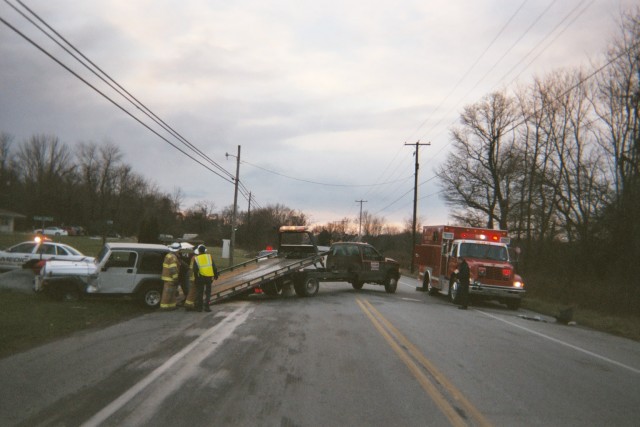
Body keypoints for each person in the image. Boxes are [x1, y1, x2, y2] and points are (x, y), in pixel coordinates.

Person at [184, 244, 219, 312]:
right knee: (208, 293)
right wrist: (215, 275)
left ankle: (199, 308)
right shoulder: (209, 256)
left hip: (200, 278)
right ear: (205, 251)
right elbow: (214, 267)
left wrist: (196, 278)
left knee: (200, 292)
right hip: (209, 278)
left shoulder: (197, 258)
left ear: (199, 251)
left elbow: (195, 270)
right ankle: (207, 307)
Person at [160, 242, 181, 310]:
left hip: (168, 278)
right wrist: (175, 278)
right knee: (168, 293)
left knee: (172, 293)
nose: (179, 251)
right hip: (170, 278)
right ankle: (165, 307)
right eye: (179, 250)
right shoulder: (173, 257)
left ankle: (171, 306)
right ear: (177, 250)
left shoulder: (169, 255)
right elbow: (173, 269)